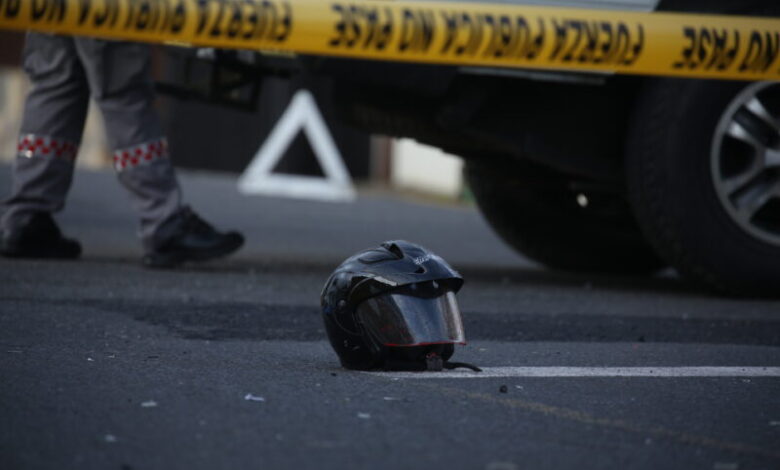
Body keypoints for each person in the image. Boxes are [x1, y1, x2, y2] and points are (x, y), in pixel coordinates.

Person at [0, 33, 244, 267]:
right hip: (101, 11)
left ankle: (26, 217)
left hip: (53, 10)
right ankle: (163, 218)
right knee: (122, 85)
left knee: (56, 82)